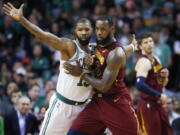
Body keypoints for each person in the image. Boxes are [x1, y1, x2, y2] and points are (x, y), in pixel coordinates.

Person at [2, 3, 138, 135]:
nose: (84, 33)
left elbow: (116, 52)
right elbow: (43, 35)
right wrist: (22, 20)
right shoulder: (69, 47)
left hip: (85, 107)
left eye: (87, 29)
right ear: (74, 31)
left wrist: (131, 47)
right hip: (63, 106)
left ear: (92, 31)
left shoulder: (95, 49)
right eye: (80, 29)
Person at [65, 16, 141, 135]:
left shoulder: (116, 53)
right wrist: (131, 47)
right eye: (97, 29)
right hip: (97, 102)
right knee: (74, 133)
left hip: (116, 102)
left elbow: (104, 86)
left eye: (103, 29)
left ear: (112, 29)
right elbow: (115, 50)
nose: (99, 32)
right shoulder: (97, 46)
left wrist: (81, 73)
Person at [135, 33, 173, 135]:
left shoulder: (156, 59)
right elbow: (139, 85)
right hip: (147, 104)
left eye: (150, 41)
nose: (149, 44)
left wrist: (165, 76)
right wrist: (159, 95)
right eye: (145, 42)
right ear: (140, 46)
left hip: (157, 104)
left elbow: (162, 83)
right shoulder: (144, 61)